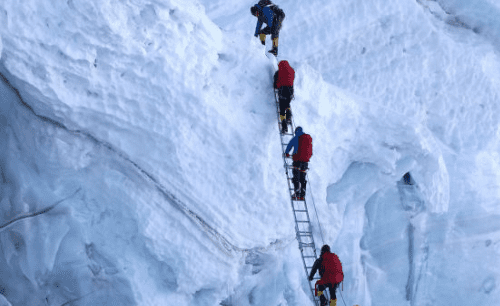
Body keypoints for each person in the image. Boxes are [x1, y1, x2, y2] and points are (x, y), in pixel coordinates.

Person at [285, 127, 312, 200]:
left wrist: (287, 153)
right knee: (302, 178)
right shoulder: (307, 139)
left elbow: (289, 145)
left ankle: (297, 194)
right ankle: (302, 195)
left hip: (297, 161)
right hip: (305, 163)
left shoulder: (296, 138)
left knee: (296, 177)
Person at [274, 60, 295, 133]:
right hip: (290, 91)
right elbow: (292, 79)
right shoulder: (292, 70)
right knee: (287, 103)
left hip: (282, 91)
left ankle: (284, 125)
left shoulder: (278, 72)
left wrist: (276, 87)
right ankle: (288, 114)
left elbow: (275, 83)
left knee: (282, 108)